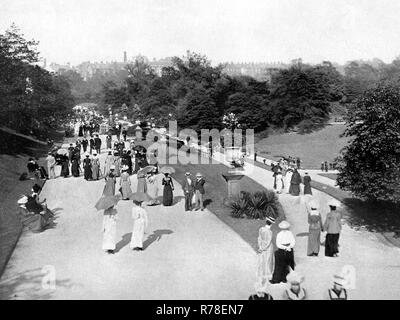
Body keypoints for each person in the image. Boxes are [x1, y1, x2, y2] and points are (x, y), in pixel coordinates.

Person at [257, 216, 275, 285]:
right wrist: (264, 248)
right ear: (271, 224)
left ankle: (262, 276)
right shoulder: (269, 232)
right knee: (268, 261)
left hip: (262, 246)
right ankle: (267, 276)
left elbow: (259, 238)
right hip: (268, 248)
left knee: (263, 261)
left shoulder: (261, 229)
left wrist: (260, 247)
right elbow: (268, 242)